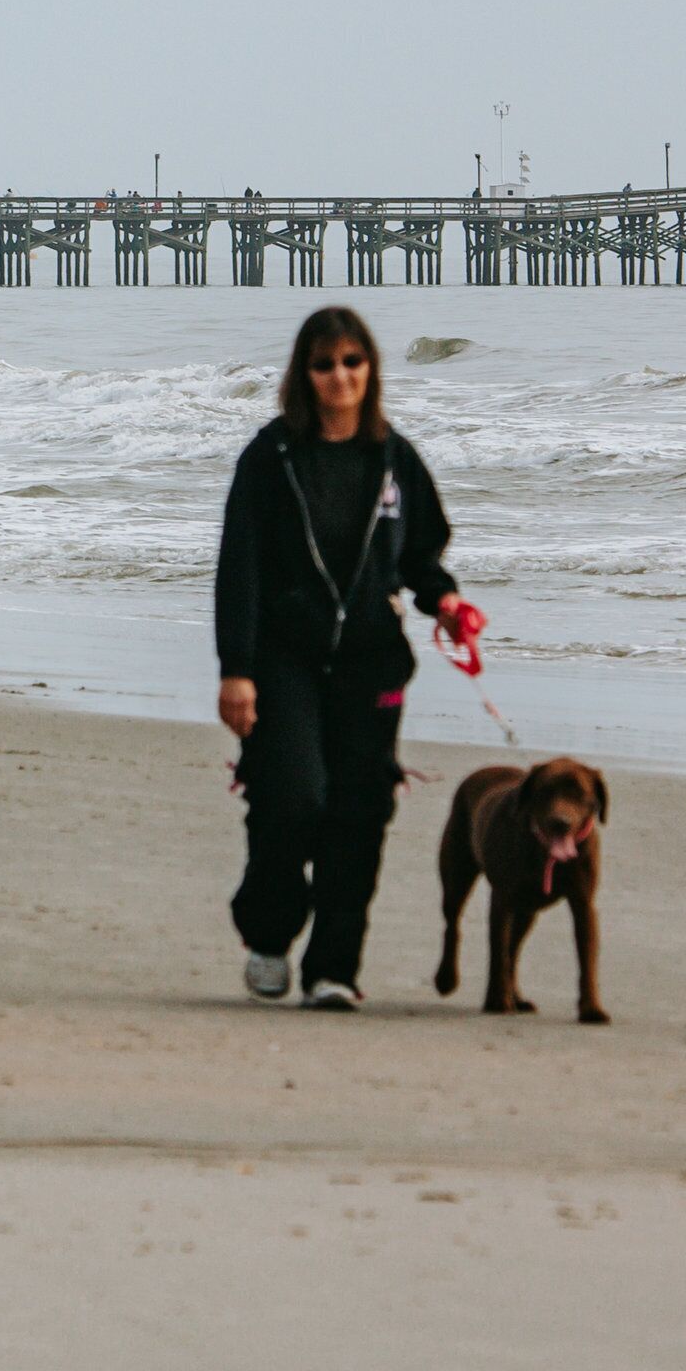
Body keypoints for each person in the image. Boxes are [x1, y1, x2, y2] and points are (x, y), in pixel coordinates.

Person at [212, 306, 482, 1010]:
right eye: (325, 364)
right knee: (293, 799)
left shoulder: (394, 458)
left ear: (371, 370)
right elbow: (238, 570)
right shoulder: (271, 458)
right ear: (305, 373)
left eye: (352, 362)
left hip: (370, 660)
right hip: (283, 660)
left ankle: (334, 968)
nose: (340, 376)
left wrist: (446, 603)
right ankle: (269, 932)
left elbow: (422, 556)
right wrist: (235, 669)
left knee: (359, 815)